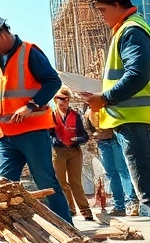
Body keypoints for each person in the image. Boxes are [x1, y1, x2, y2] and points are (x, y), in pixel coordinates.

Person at [81, 0, 150, 243]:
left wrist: (104, 98)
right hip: (140, 121)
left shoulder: (131, 30)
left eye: (103, 10)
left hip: (138, 122)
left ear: (118, 5)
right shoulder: (131, 29)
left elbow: (136, 75)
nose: (101, 16)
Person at [0, 13, 74, 224]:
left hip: (33, 133)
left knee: (46, 183)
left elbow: (52, 81)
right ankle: (11, 232)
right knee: (4, 188)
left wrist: (31, 105)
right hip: (5, 137)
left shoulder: (29, 52)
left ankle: (67, 229)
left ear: (2, 33)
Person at [50, 87, 94, 222]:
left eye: (62, 99)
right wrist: (54, 140)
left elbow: (84, 135)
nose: (60, 101)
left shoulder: (75, 116)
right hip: (58, 151)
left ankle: (85, 210)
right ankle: (69, 209)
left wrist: (79, 140)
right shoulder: (52, 115)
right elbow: (48, 134)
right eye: (57, 98)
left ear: (68, 99)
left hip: (74, 151)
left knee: (75, 181)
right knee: (61, 182)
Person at [96, 130, 137, 216]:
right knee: (111, 173)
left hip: (117, 139)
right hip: (102, 143)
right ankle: (119, 206)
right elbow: (88, 129)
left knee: (123, 170)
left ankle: (131, 203)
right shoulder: (90, 116)